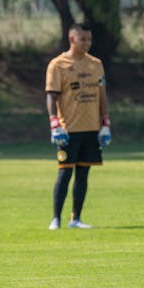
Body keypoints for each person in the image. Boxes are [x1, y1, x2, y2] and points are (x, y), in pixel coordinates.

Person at [45, 23, 112, 230]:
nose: (87, 43)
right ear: (72, 39)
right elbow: (51, 95)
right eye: (83, 39)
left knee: (83, 175)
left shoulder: (96, 64)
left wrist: (105, 123)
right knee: (64, 174)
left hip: (91, 129)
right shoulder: (58, 64)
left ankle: (76, 219)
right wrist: (54, 123)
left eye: (89, 39)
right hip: (68, 130)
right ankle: (55, 218)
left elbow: (102, 95)